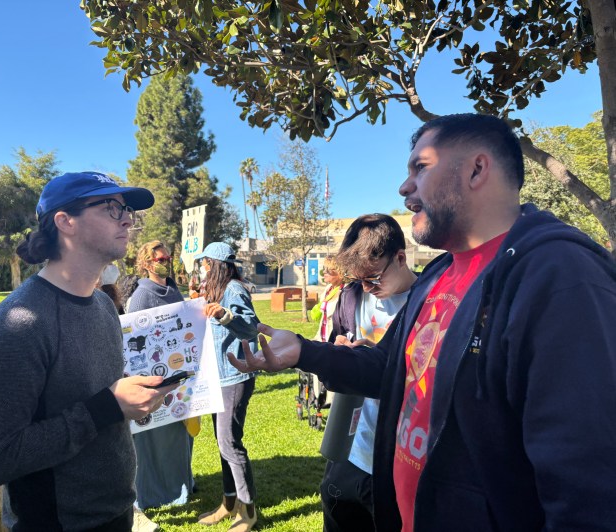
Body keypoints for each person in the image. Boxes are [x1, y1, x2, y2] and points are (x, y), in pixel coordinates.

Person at [229, 114, 616, 530]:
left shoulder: (559, 273)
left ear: (476, 169)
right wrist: (305, 351)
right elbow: (387, 368)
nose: (404, 187)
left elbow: (587, 483)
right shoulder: (439, 273)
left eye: (421, 167)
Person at [0, 171, 181, 531]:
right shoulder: (19, 323)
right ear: (65, 222)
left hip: (117, 512)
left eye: (126, 208)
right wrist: (106, 408)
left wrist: (131, 399)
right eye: (112, 208)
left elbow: (92, 397)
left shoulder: (103, 307)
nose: (128, 218)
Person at [319, 214, 417, 531]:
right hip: (352, 447)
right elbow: (336, 342)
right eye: (358, 278)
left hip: (402, 458)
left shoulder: (431, 302)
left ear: (400, 258)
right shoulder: (351, 296)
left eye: (373, 279)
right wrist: (340, 351)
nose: (366, 287)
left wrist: (374, 359)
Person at [196, 242, 260, 531]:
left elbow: (250, 327)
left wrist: (225, 315)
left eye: (205, 262)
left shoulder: (233, 289)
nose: (202, 267)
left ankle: (248, 512)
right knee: (224, 444)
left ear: (216, 264)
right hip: (217, 378)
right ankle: (229, 502)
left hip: (233, 378)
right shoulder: (216, 289)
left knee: (230, 444)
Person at [128, 240, 194, 514]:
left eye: (168, 257)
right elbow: (135, 340)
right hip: (154, 379)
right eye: (159, 259)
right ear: (146, 264)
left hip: (178, 378)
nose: (165, 261)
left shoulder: (173, 291)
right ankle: (155, 493)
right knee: (155, 440)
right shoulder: (142, 296)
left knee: (179, 437)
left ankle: (180, 485)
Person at [311, 255, 343, 343]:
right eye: (324, 268)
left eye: (328, 270)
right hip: (323, 340)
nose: (324, 272)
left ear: (340, 272)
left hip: (335, 343)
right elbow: (324, 319)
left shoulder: (345, 291)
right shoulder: (328, 289)